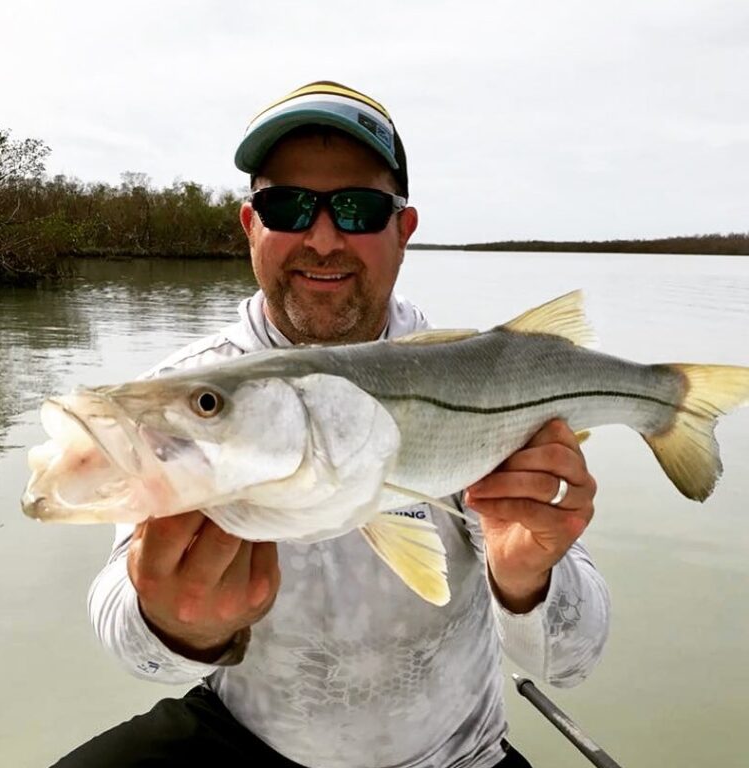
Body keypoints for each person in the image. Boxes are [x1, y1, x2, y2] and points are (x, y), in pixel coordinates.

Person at [55, 81, 610, 768]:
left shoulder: (476, 384)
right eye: (286, 206)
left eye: (358, 208)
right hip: (250, 741)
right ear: (250, 225)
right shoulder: (185, 393)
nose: (322, 238)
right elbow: (134, 648)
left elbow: (571, 659)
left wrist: (526, 578)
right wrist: (174, 625)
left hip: (456, 754)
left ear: (403, 233)